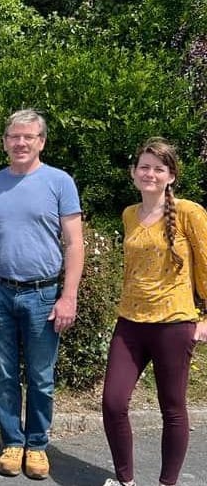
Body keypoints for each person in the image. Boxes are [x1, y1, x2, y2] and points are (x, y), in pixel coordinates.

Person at [0, 108, 84, 479]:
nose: (20, 143)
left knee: (41, 375)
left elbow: (75, 243)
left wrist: (69, 296)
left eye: (28, 137)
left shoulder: (59, 182)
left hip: (43, 296)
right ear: (4, 142)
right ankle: (12, 442)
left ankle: (37, 445)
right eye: (14, 137)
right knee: (2, 374)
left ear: (41, 142)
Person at [101, 138, 207, 486]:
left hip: (174, 324)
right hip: (130, 322)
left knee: (172, 408)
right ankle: (124, 481)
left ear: (171, 175)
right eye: (144, 167)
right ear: (133, 173)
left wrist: (205, 319)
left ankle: (167, 483)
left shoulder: (191, 213)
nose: (150, 174)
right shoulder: (130, 214)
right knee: (114, 403)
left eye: (158, 168)